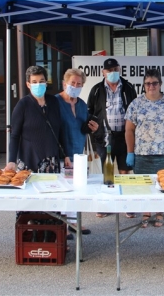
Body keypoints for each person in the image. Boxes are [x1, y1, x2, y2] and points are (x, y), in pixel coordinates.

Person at [125, 68, 164, 228]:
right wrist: (130, 152)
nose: (151, 86)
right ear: (143, 85)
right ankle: (146, 212)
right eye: (148, 83)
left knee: (162, 184)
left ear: (160, 84)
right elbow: (129, 129)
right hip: (142, 153)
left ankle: (159, 212)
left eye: (154, 83)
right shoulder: (136, 104)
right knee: (143, 185)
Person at [87, 58, 137, 219]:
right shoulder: (96, 90)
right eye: (109, 70)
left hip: (124, 136)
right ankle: (105, 205)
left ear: (119, 69)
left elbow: (134, 109)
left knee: (125, 171)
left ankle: (127, 205)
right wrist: (95, 132)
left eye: (115, 69)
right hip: (104, 138)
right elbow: (90, 113)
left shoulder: (128, 87)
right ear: (103, 72)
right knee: (107, 173)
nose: (112, 73)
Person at [56, 68, 99, 237]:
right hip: (60, 153)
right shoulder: (55, 102)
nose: (75, 86)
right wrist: (64, 152)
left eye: (79, 84)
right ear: (64, 83)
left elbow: (82, 126)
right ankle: (60, 223)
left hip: (78, 153)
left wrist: (93, 129)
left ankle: (73, 222)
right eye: (72, 83)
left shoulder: (81, 105)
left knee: (76, 188)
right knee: (60, 189)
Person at [6, 65, 69, 173]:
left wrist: (66, 155)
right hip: (29, 160)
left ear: (46, 82)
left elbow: (61, 129)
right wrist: (11, 160)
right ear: (28, 84)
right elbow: (15, 135)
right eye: (34, 82)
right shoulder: (23, 105)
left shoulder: (54, 101)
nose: (38, 84)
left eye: (41, 81)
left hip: (51, 160)